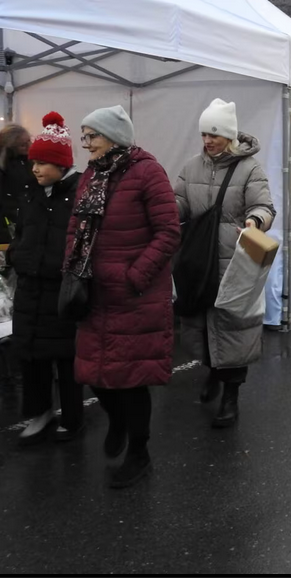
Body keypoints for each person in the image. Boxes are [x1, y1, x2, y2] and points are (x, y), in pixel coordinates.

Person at [65, 105, 181, 489]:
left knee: (132, 378)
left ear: (113, 136)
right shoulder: (90, 177)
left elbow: (167, 232)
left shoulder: (148, 172)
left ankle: (139, 452)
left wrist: (135, 276)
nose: (86, 145)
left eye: (91, 136)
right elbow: (75, 228)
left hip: (135, 294)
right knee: (93, 372)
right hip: (94, 290)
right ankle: (115, 420)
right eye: (84, 137)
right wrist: (72, 267)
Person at [175, 99, 276, 429]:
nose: (208, 141)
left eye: (214, 134)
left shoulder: (251, 169)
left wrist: (254, 222)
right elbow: (178, 203)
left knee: (233, 329)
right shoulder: (191, 168)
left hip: (234, 262)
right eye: (204, 133)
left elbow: (264, 207)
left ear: (229, 136)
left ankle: (231, 395)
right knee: (203, 325)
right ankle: (213, 372)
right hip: (199, 262)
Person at [10, 112, 83, 446]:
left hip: (61, 289)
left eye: (42, 162)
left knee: (67, 357)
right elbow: (21, 232)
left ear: (61, 165)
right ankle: (39, 413)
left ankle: (72, 416)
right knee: (30, 354)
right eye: (33, 162)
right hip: (29, 287)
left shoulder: (79, 196)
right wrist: (17, 258)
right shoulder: (30, 195)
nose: (35, 168)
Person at [0, 123, 34, 245]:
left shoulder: (28, 159)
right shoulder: (0, 162)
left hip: (26, 213)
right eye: (22, 145)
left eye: (29, 141)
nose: (29, 146)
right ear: (11, 146)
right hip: (7, 215)